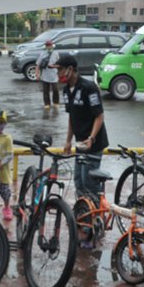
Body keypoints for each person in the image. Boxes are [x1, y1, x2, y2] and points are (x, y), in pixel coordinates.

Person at [60, 54, 109, 202]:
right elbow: (71, 117)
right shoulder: (66, 90)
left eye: (60, 70)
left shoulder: (89, 88)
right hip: (80, 143)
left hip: (93, 143)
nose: (58, 74)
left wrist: (91, 138)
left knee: (89, 183)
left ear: (70, 69)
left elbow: (99, 116)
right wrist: (68, 141)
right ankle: (83, 214)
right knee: (78, 181)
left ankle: (94, 219)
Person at [36, 40, 60, 108]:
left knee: (55, 89)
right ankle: (47, 104)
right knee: (45, 90)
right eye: (47, 45)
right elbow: (38, 64)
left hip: (54, 75)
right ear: (46, 46)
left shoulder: (56, 53)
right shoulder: (42, 53)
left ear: (52, 46)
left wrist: (54, 67)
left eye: (50, 45)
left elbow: (59, 64)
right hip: (45, 75)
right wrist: (37, 74)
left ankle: (56, 102)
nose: (49, 47)